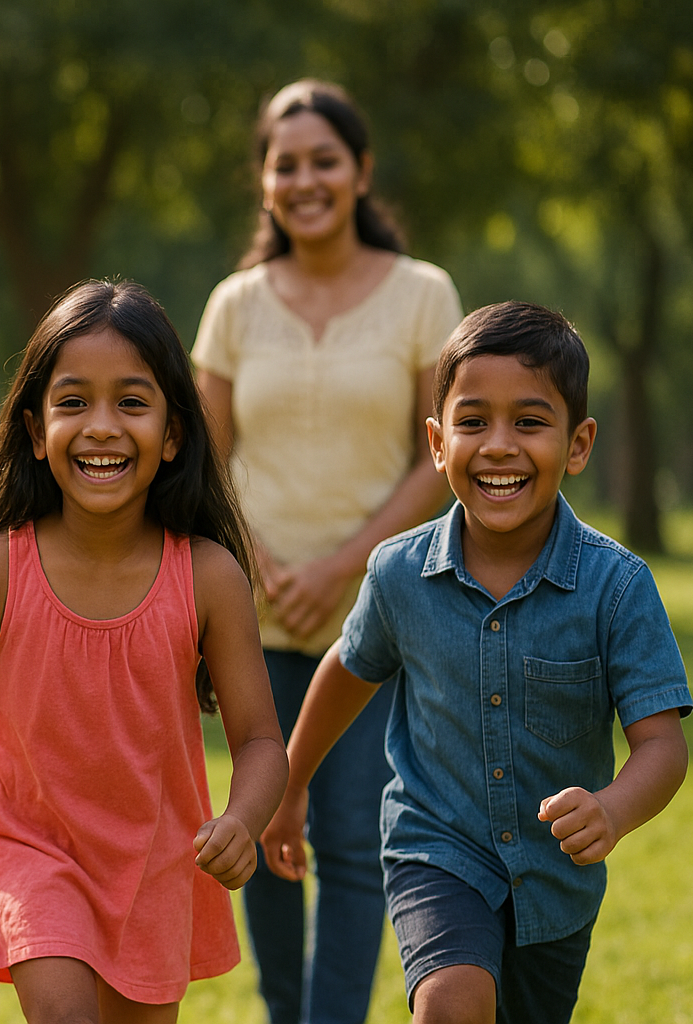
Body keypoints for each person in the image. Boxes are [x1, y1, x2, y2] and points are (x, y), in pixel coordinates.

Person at [261, 301, 691, 1024]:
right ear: (436, 441)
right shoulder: (398, 575)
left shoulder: (616, 588)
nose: (498, 445)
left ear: (578, 443)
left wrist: (612, 811)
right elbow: (348, 668)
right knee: (453, 1003)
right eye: (472, 422)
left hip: (555, 881)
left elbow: (663, 746)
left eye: (529, 422)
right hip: (436, 847)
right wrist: (292, 783)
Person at [0, 280, 288, 1023]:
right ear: (37, 431)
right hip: (29, 847)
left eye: (132, 403)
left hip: (156, 866)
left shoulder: (208, 577)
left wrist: (243, 818)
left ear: (174, 434)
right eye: (73, 402)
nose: (101, 426)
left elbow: (261, 738)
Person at [191, 78, 461, 1024]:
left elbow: (440, 451)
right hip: (252, 615)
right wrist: (262, 565)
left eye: (324, 160)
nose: (305, 179)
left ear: (361, 172)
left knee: (351, 835)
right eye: (285, 162)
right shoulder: (234, 305)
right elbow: (204, 456)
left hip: (377, 612)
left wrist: (344, 565)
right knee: (262, 828)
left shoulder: (424, 294)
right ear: (264, 181)